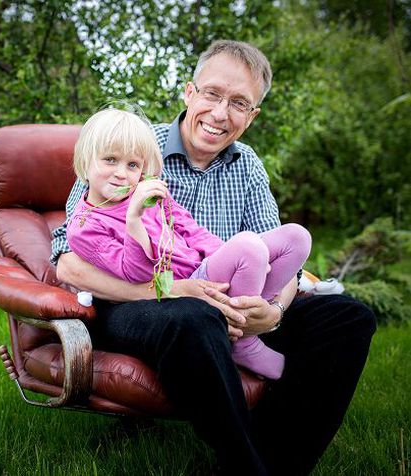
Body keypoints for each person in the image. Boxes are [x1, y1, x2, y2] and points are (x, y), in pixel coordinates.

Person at [50, 40, 376, 475]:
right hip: (141, 304)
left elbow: (286, 265)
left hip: (233, 298)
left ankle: (272, 461)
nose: (221, 113)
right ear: (189, 92)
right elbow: (66, 259)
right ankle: (248, 465)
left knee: (349, 317)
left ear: (252, 115)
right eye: (212, 94)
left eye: (239, 103)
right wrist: (165, 290)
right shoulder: (130, 152)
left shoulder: (248, 167)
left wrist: (272, 310)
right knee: (193, 317)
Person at [66, 107, 311, 380]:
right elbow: (136, 274)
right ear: (85, 162)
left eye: (132, 165)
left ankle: (254, 310)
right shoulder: (84, 227)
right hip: (182, 289)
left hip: (206, 270)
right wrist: (133, 221)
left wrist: (226, 255)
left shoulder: (150, 193)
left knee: (296, 237)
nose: (122, 174)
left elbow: (191, 230)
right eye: (110, 160)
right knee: (249, 246)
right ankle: (243, 343)